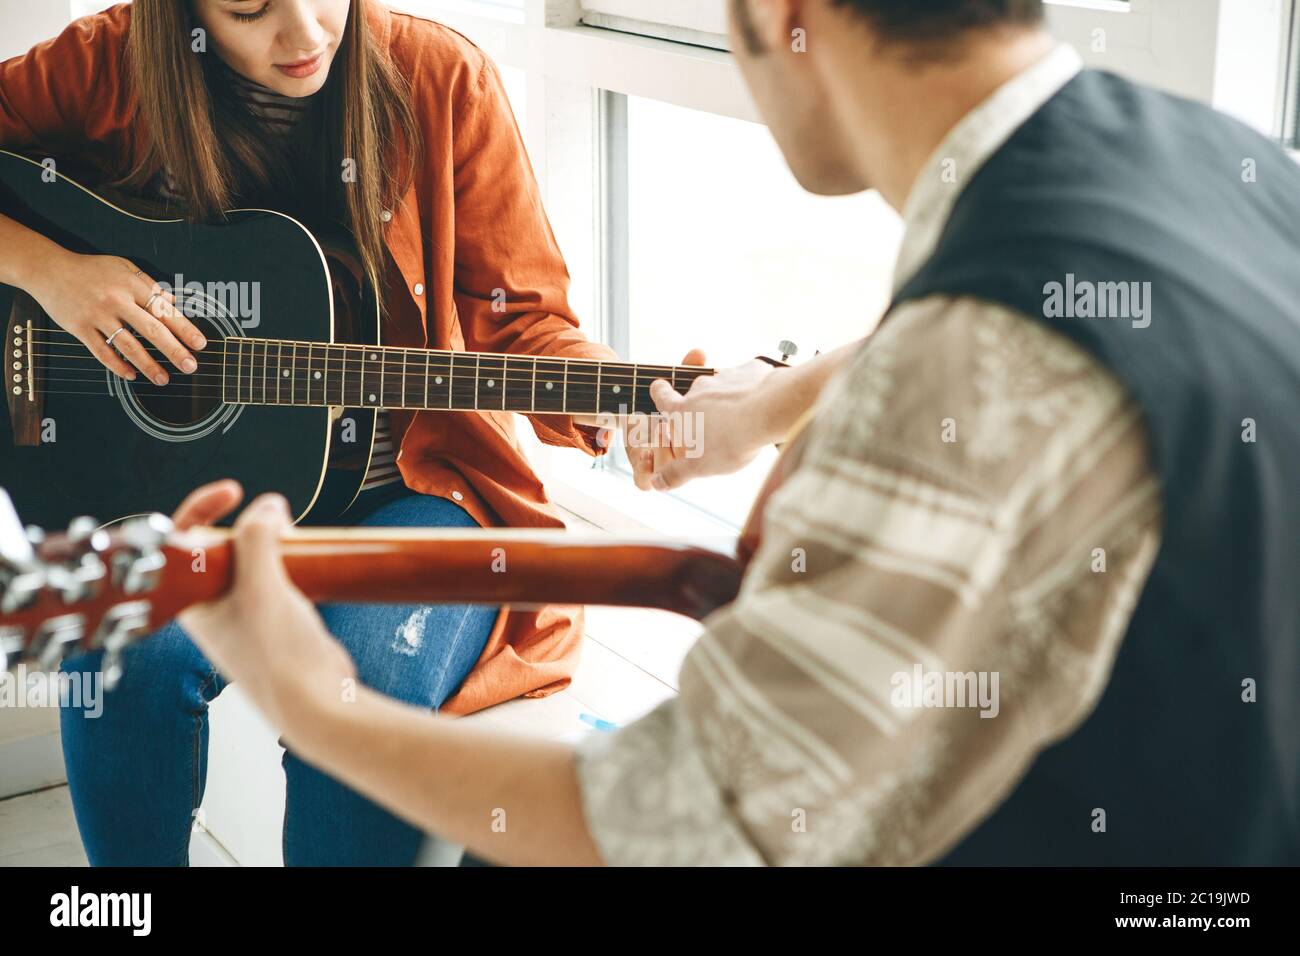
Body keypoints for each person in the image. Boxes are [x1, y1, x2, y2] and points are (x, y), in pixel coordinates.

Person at [154, 0, 1300, 864]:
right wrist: (769, 405)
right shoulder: (1207, 156)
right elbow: (1035, 308)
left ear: (782, 21)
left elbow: (680, 823)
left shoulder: (961, 371)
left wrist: (309, 697)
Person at [0, 0, 691, 866]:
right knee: (118, 644)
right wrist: (51, 273)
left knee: (357, 686)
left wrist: (618, 401)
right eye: (250, 10)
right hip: (190, 496)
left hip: (416, 490)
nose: (306, 35)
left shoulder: (441, 80)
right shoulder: (109, 63)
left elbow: (527, 323)